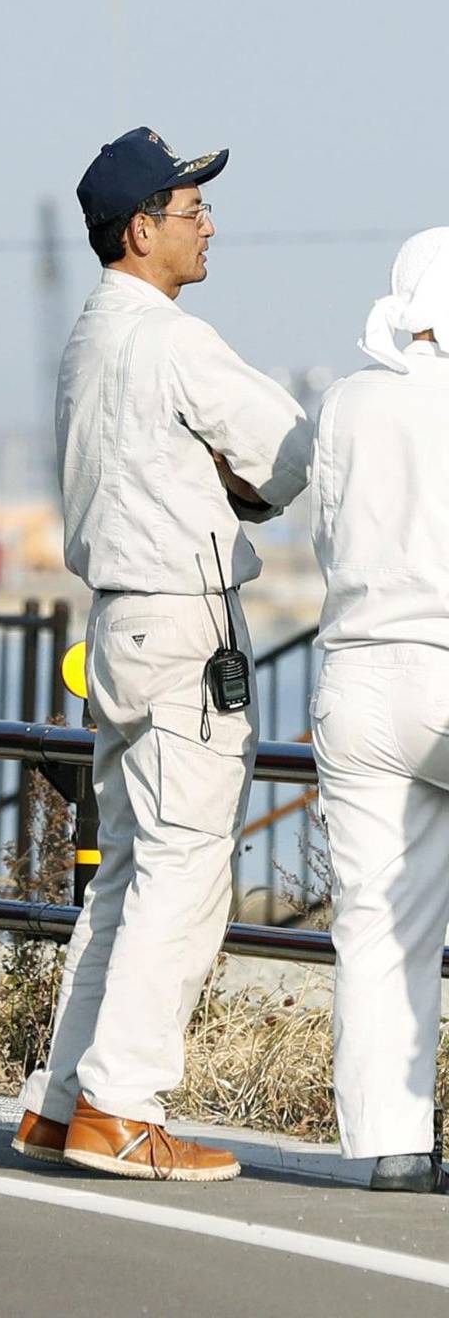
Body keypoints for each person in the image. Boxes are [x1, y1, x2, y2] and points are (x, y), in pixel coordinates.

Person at [12, 128, 313, 1182]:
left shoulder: (91, 336)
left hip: (119, 626)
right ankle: (122, 1107)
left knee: (128, 871)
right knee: (185, 874)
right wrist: (249, 491)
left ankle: (60, 1102)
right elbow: (290, 450)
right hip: (185, 625)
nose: (210, 224)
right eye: (192, 211)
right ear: (143, 230)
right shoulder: (174, 339)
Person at [309, 229, 449, 1192]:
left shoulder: (349, 400)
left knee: (376, 919)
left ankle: (391, 1148)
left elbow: (324, 524)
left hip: (355, 675)